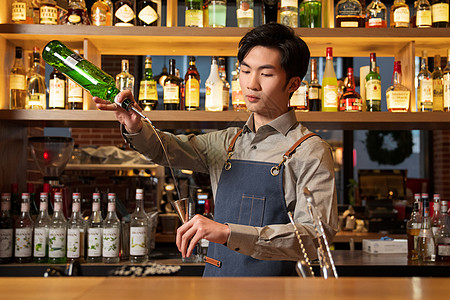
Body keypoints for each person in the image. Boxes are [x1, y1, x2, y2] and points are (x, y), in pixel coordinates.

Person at [94, 23, 338, 277]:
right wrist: (134, 124)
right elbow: (165, 149)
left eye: (265, 74)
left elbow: (315, 237)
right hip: (216, 285)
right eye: (244, 71)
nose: (251, 84)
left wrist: (228, 233)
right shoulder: (227, 143)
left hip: (276, 289)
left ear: (293, 84)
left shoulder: (310, 151)